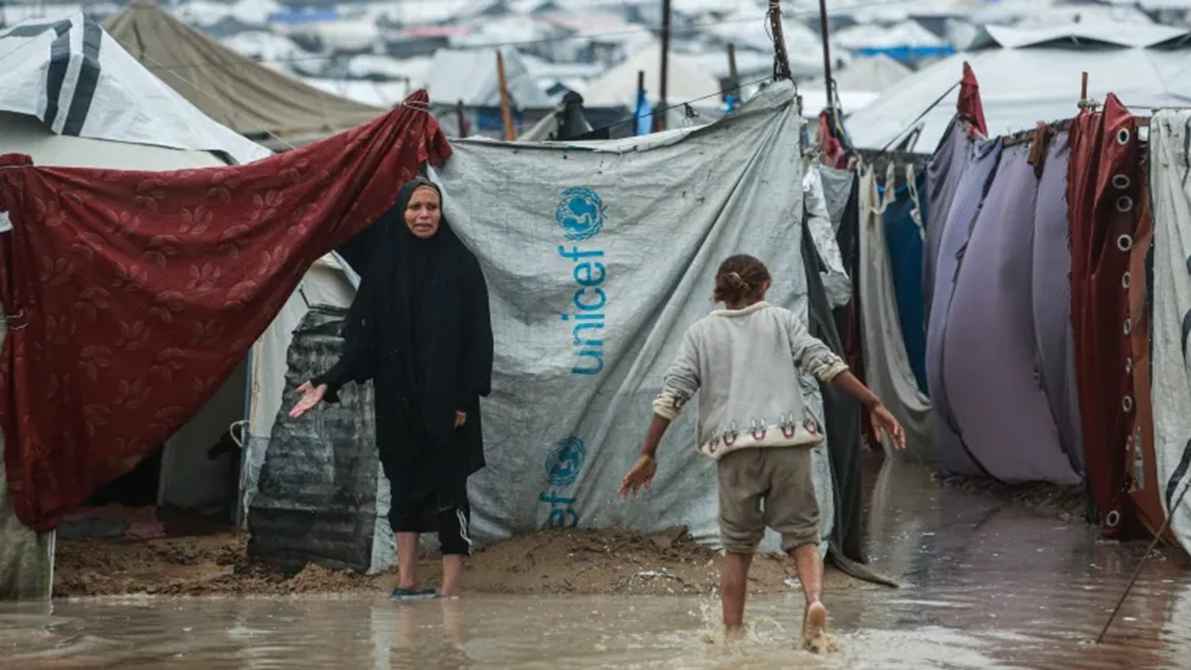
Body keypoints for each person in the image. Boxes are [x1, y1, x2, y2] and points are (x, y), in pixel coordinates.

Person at [619, 254, 905, 649]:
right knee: (804, 537)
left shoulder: (700, 334)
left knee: (737, 550)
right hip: (788, 448)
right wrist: (874, 403)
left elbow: (673, 396)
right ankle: (815, 603)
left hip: (735, 454)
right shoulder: (782, 321)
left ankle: (732, 637)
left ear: (721, 290)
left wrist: (649, 452)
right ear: (765, 287)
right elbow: (827, 365)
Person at [289, 177, 494, 600]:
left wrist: (463, 399)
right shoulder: (384, 268)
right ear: (401, 214)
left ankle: (451, 588)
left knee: (448, 489)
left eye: (431, 207)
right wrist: (329, 381)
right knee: (402, 485)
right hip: (397, 400)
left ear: (442, 212)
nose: (423, 215)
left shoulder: (462, 266)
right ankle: (407, 581)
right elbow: (364, 343)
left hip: (447, 402)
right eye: (415, 208)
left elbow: (479, 339)